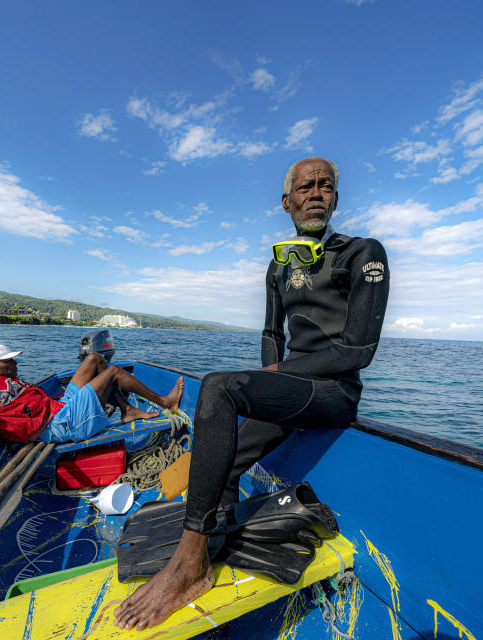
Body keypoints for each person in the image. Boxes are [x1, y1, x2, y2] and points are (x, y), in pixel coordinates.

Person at [114, 157, 389, 630]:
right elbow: (271, 333)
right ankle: (214, 527)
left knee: (220, 388)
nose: (316, 194)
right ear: (287, 202)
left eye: (326, 186)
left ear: (337, 199)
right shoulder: (278, 264)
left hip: (334, 395)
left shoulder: (363, 252)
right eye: (305, 188)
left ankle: (190, 563)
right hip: (293, 391)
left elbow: (358, 351)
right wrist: (270, 384)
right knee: (221, 453)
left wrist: (275, 375)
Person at [0, 343, 184, 460]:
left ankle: (128, 410)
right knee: (115, 372)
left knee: (95, 359)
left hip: (59, 408)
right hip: (59, 425)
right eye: (7, 362)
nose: (14, 366)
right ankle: (164, 402)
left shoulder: (9, 381)